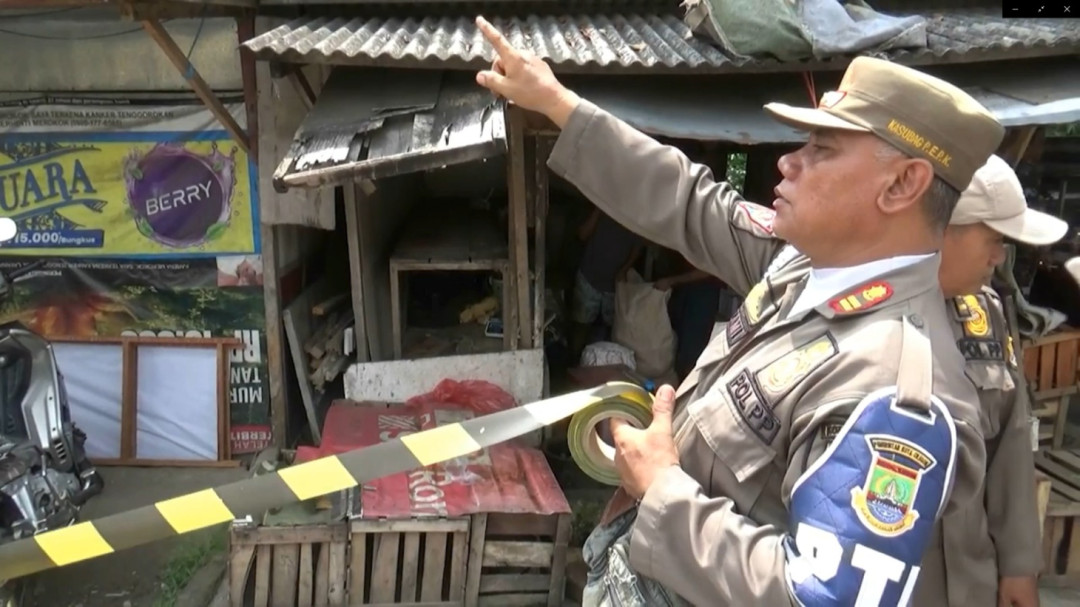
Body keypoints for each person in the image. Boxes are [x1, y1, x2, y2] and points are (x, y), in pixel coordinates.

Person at [474, 16, 1003, 607]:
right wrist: (558, 103)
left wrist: (662, 489)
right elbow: (688, 198)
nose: (787, 163)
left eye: (821, 149)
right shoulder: (799, 265)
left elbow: (818, 596)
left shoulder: (895, 390)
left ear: (902, 185)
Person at [935, 154, 1067, 607]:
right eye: (993, 239)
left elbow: (1010, 444)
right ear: (940, 230)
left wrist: (1019, 565)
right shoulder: (856, 309)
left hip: (971, 579)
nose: (999, 257)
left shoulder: (986, 314)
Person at [570, 206, 644, 361]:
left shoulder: (634, 217)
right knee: (581, 326)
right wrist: (599, 209)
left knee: (612, 331)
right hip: (589, 278)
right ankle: (573, 364)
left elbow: (637, 248)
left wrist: (624, 269)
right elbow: (582, 234)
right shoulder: (603, 209)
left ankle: (604, 365)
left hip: (613, 286)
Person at [652, 249, 724, 382]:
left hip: (702, 295)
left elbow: (709, 270)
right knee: (674, 343)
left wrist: (671, 280)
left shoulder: (716, 240)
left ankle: (684, 391)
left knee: (691, 352)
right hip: (684, 289)